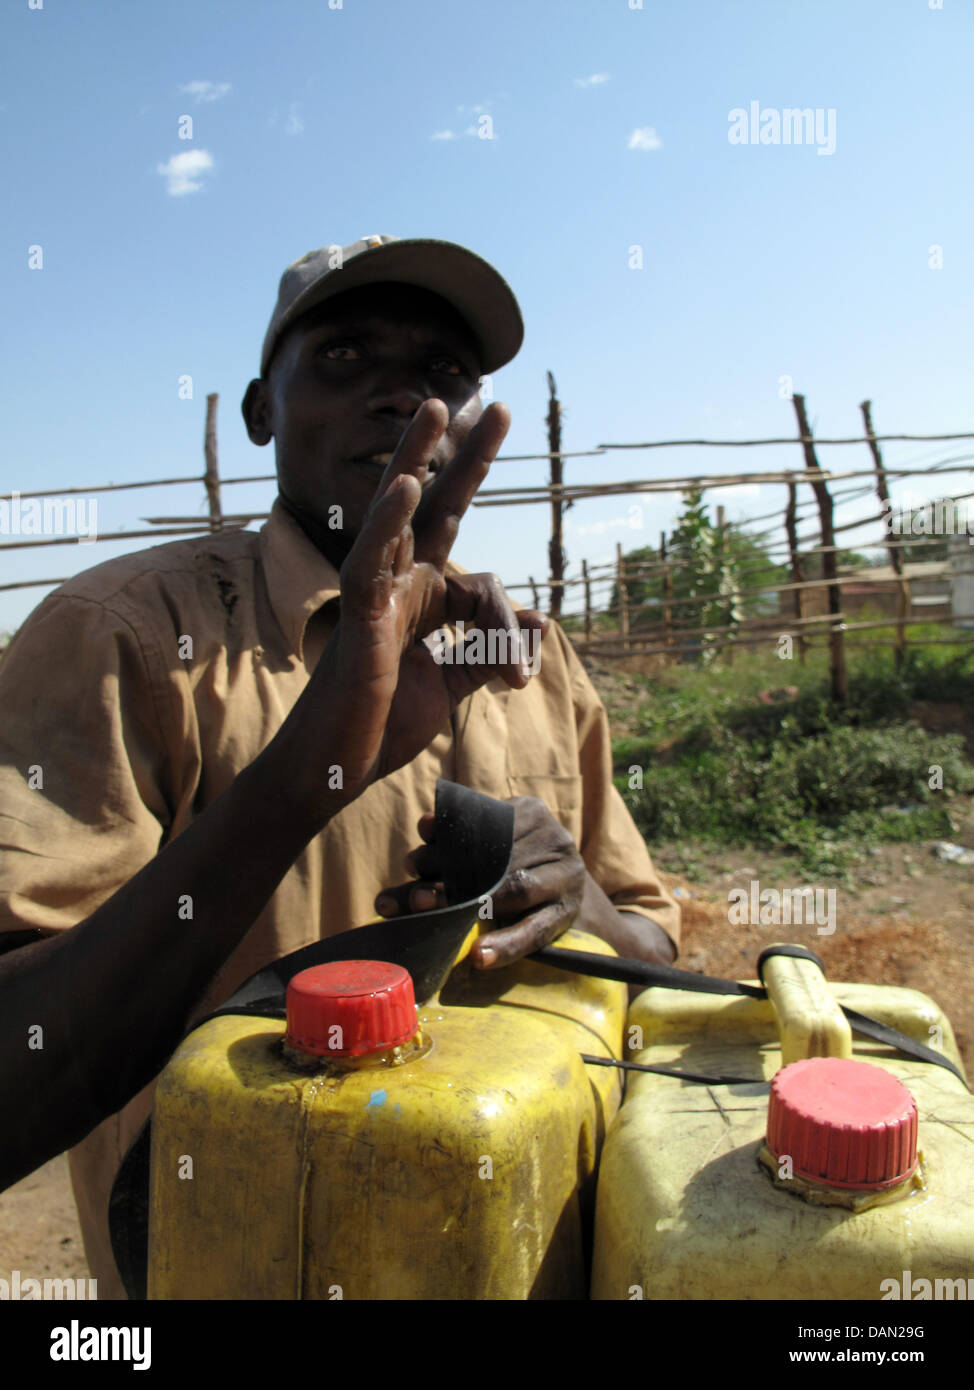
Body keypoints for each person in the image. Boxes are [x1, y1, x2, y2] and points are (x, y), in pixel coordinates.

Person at [0, 235, 678, 1297]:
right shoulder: (119, 639)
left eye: (444, 373)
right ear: (259, 410)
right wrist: (307, 769)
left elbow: (657, 964)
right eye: (344, 357)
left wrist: (574, 896)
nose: (401, 395)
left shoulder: (531, 661)